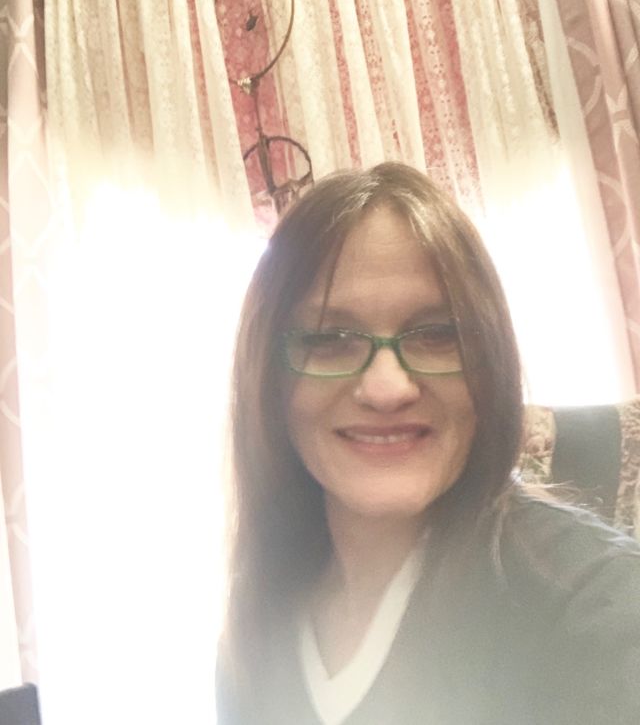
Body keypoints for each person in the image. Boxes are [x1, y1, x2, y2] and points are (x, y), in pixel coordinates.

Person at [216, 162, 640, 724]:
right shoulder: (257, 623)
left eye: (438, 334)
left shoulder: (601, 611)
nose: (388, 388)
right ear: (266, 378)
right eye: (330, 338)